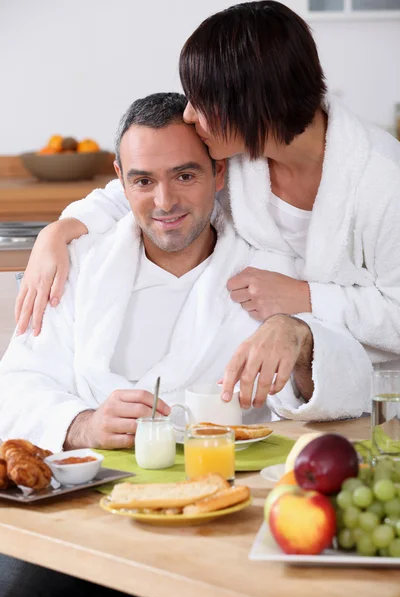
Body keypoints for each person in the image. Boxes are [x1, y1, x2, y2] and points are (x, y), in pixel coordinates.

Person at [15, 1, 400, 405]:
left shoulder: (381, 183)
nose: (188, 113)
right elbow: (142, 190)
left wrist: (306, 298)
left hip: (369, 393)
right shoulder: (240, 155)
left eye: (201, 100)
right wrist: (57, 233)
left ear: (252, 103)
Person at [0, 92, 371, 453]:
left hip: (231, 485)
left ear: (219, 172)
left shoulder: (272, 270)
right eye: (143, 181)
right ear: (122, 181)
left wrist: (301, 338)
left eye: (184, 177)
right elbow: (15, 387)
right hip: (93, 490)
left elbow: (349, 390)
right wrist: (85, 425)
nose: (165, 203)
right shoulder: (77, 266)